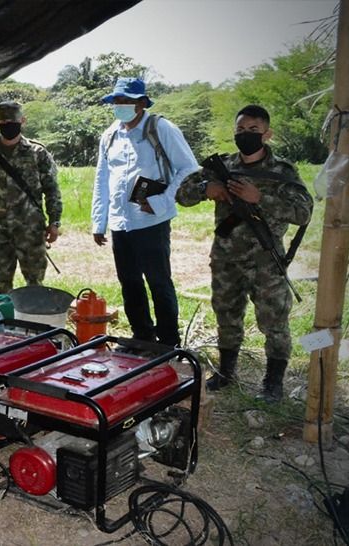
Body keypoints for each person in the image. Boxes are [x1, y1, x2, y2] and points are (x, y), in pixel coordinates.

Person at [176, 104, 313, 402]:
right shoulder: (222, 166)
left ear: (267, 134)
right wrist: (206, 187)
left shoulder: (282, 172)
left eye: (253, 130)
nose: (246, 135)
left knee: (274, 320)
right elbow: (182, 195)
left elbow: (303, 213)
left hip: (266, 260)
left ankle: (273, 382)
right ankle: (226, 373)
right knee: (226, 315)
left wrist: (259, 198)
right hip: (226, 258)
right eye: (241, 130)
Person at [91, 77, 198, 347]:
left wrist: (162, 200)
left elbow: (188, 169)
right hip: (121, 221)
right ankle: (142, 336)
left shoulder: (161, 128)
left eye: (125, 101)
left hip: (151, 220)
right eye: (116, 101)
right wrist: (99, 221)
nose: (120, 106)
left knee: (159, 282)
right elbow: (102, 178)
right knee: (129, 282)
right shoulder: (110, 134)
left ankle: (168, 341)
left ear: (141, 103)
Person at [0, 101, 62, 294]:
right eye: (3, 121)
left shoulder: (37, 153)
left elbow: (51, 190)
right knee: (2, 286)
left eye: (12, 121)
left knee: (35, 285)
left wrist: (55, 222)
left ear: (22, 121)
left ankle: (34, 322)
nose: (8, 125)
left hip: (31, 228)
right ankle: (5, 320)